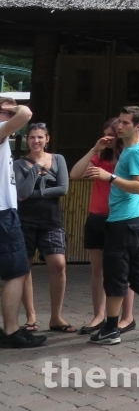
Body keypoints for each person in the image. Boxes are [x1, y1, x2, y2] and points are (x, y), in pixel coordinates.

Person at [83, 106, 139, 344]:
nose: (120, 126)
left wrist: (108, 177)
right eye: (119, 122)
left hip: (125, 222)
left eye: (126, 123)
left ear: (138, 126)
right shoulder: (131, 150)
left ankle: (110, 328)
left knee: (116, 274)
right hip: (136, 221)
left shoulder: (135, 153)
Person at [69, 119, 136, 334]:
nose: (108, 138)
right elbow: (74, 174)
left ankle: (127, 317)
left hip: (119, 217)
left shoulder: (129, 156)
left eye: (112, 134)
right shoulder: (101, 156)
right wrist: (94, 149)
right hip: (96, 216)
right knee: (97, 270)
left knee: (121, 269)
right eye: (105, 134)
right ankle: (98, 315)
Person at [13, 123, 71, 333]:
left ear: (47, 139)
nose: (36, 141)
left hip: (51, 221)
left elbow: (63, 188)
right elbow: (23, 191)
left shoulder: (58, 160)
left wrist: (37, 192)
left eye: (40, 137)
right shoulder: (19, 164)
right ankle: (31, 316)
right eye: (32, 137)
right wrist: (37, 169)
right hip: (25, 221)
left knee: (58, 265)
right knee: (24, 268)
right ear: (27, 140)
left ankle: (56, 316)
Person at [0, 98, 45, 348]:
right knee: (17, 272)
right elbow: (26, 113)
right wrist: (14, 109)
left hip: (5, 210)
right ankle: (11, 330)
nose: (10, 114)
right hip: (3, 212)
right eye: (6, 111)